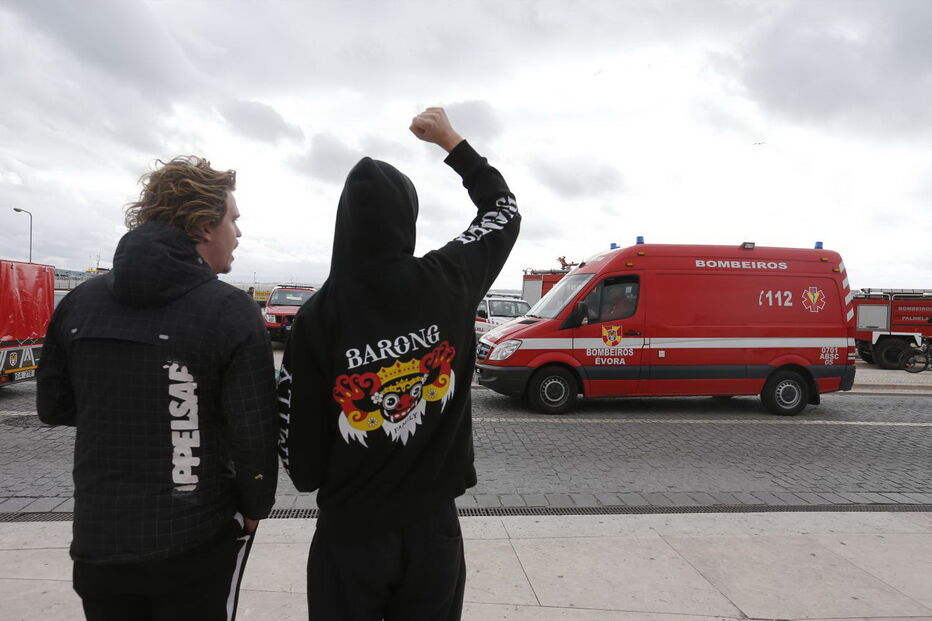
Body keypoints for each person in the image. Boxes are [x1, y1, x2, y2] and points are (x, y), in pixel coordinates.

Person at [277, 107, 521, 620]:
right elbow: (502, 211)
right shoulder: (447, 278)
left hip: (349, 535)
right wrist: (451, 142)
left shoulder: (317, 317)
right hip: (433, 529)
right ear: (406, 219)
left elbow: (300, 457)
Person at [37, 156, 279, 621]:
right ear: (205, 226)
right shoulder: (230, 311)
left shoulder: (80, 304)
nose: (239, 233)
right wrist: (255, 508)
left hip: (98, 540)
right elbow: (253, 433)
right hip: (195, 539)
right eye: (234, 219)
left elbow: (53, 405)